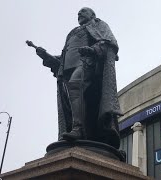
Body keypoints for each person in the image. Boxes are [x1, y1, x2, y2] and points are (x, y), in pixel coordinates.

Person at [35, 7, 122, 149]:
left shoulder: (99, 25)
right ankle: (76, 128)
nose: (79, 14)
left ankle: (78, 128)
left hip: (87, 63)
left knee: (76, 85)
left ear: (93, 15)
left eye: (83, 11)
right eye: (78, 13)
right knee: (70, 98)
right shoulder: (72, 33)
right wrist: (46, 56)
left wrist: (93, 50)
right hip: (67, 69)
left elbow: (109, 43)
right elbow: (63, 58)